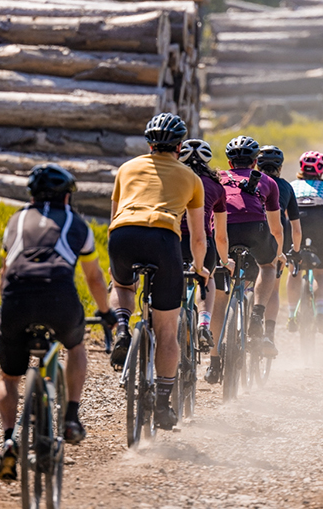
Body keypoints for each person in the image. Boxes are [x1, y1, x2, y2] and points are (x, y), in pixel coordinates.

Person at [0, 165, 112, 480]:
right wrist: (105, 313)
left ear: (32, 195)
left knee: (8, 377)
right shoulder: (78, 224)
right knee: (76, 346)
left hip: (16, 299)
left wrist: (4, 308)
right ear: (67, 196)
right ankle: (71, 417)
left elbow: (5, 273)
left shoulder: (14, 221)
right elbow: (94, 277)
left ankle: (9, 439)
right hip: (59, 299)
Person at [106, 113, 208, 431]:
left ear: (149, 144)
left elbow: (114, 218)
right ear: (179, 146)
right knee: (166, 331)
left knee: (121, 286)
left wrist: (117, 264)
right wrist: (199, 267)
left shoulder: (126, 169)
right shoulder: (191, 178)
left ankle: (122, 330)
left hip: (122, 236)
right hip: (163, 240)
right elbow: (199, 235)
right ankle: (163, 405)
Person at [207, 136, 284, 383]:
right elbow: (276, 228)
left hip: (223, 232)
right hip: (255, 229)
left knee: (220, 297)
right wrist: (278, 252)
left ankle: (214, 362)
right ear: (254, 163)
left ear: (229, 162)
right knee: (268, 266)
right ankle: (257, 314)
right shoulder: (268, 181)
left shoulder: (216, 177)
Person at [177, 139, 230, 352]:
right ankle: (204, 323)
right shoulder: (216, 186)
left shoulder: (174, 178)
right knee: (206, 278)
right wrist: (225, 261)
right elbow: (221, 234)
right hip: (203, 241)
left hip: (172, 238)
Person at [256, 145, 302, 350]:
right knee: (272, 287)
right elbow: (296, 228)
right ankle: (268, 336)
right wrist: (296, 252)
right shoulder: (286, 187)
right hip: (275, 235)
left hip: (249, 230)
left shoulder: (249, 182)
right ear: (280, 168)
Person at [289, 151, 323, 332]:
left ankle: (290, 316)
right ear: (322, 169)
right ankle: (320, 313)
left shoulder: (291, 186)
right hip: (320, 221)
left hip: (297, 222)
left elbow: (284, 215)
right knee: (321, 274)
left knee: (294, 272)